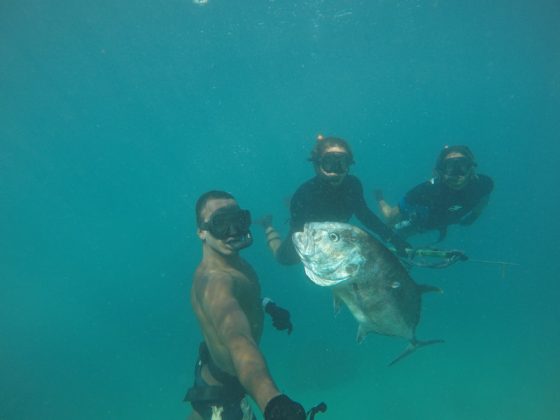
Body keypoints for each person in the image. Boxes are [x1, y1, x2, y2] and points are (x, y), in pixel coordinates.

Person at [185, 190, 306, 420]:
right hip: (222, 401)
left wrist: (268, 306)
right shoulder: (216, 281)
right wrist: (273, 402)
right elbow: (239, 341)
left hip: (213, 379)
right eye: (221, 223)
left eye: (238, 221)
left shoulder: (232, 264)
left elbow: (241, 300)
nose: (233, 232)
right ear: (201, 231)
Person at [261, 135, 411, 265]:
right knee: (283, 259)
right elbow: (301, 237)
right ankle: (267, 226)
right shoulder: (303, 195)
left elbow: (365, 215)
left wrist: (392, 238)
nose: (336, 171)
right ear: (316, 164)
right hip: (304, 234)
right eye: (329, 163)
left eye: (342, 163)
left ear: (349, 165)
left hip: (333, 235)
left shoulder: (353, 185)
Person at [375, 145, 494, 242]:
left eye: (462, 165)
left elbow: (484, 198)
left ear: (471, 167)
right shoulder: (424, 191)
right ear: (441, 170)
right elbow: (391, 218)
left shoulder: (484, 184)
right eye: (450, 167)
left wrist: (475, 215)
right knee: (391, 218)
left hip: (443, 220)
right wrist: (388, 236)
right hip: (421, 223)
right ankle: (379, 198)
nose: (457, 173)